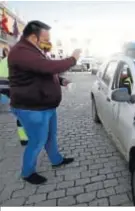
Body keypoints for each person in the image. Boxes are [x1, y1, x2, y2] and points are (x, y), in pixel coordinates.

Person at [8, 20, 81, 185]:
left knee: (50, 136)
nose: (48, 42)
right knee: (37, 141)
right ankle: (27, 172)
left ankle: (56, 160)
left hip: (46, 106)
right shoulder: (21, 51)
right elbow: (46, 67)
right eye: (46, 38)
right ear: (33, 37)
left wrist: (62, 81)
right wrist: (73, 59)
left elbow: (44, 73)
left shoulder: (35, 51)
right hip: (32, 109)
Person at [0, 47, 29, 146]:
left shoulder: (4, 60)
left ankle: (23, 137)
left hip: (4, 88)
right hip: (12, 87)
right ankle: (26, 137)